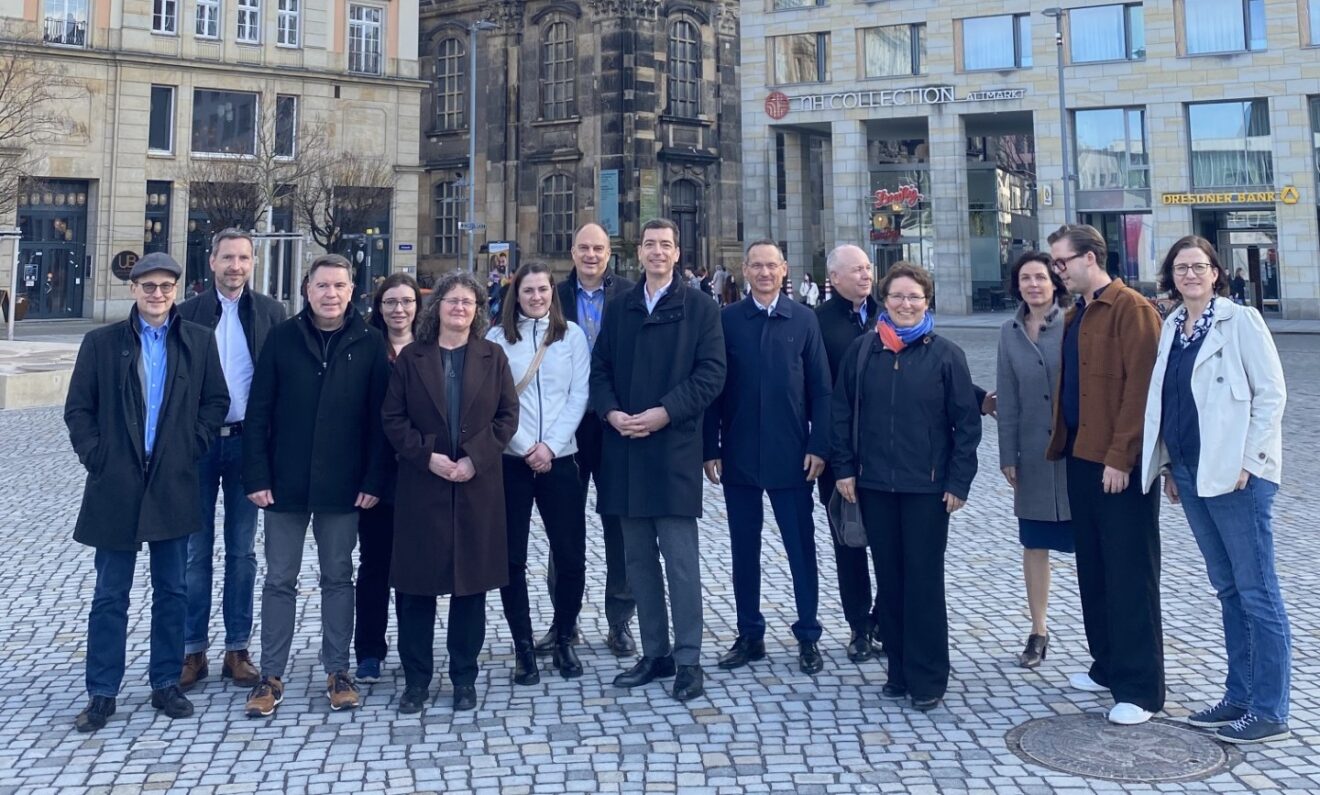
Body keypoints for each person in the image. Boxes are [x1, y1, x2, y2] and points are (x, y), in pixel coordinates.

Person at [64, 251, 230, 732]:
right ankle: (101, 692)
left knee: (173, 590)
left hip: (172, 481)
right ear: (133, 289)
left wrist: (192, 445)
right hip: (116, 483)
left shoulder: (197, 341)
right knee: (110, 593)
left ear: (177, 290)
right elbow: (79, 409)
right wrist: (97, 455)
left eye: (165, 287)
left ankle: (165, 683)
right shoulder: (101, 343)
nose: (157, 295)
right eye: (148, 286)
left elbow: (215, 401)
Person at [1141, 236, 1290, 744]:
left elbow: (1271, 394)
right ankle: (1239, 695)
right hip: (1190, 471)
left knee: (1258, 591)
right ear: (1170, 275)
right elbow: (1168, 400)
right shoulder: (1172, 326)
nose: (1190, 275)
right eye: (1181, 268)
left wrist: (1250, 460)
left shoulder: (1239, 320)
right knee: (1227, 588)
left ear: (1215, 272)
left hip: (1237, 475)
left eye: (1198, 266)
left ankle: (1269, 708)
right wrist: (1167, 466)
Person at [241, 254, 391, 718]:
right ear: (307, 290)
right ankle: (270, 674)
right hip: (283, 483)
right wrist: (257, 474)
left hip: (344, 486)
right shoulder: (282, 338)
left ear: (352, 291)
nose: (330, 294)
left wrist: (372, 478)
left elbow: (379, 421)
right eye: (322, 286)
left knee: (337, 578)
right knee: (279, 579)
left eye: (339, 286)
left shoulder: (370, 342)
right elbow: (259, 410)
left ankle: (338, 670)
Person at [831, 261, 981, 713]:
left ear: (927, 301)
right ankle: (897, 670)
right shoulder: (863, 351)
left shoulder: (946, 355)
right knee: (890, 582)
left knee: (923, 582)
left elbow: (966, 425)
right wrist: (844, 469)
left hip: (927, 490)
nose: (905, 304)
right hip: (874, 486)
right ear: (884, 300)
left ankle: (928, 675)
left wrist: (959, 482)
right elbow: (841, 414)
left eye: (914, 296)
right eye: (897, 296)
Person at [590, 218, 725, 703]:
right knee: (638, 561)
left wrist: (665, 413)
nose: (657, 252)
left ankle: (688, 659)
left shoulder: (701, 308)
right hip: (624, 448)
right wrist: (610, 412)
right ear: (639, 253)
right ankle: (655, 652)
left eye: (666, 245)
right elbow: (600, 366)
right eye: (650, 245)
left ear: (677, 253)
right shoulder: (620, 305)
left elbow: (712, 375)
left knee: (682, 563)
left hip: (673, 448)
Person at [382, 272, 519, 713]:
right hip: (424, 487)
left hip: (477, 487)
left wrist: (474, 458)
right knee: (416, 590)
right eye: (452, 300)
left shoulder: (492, 356)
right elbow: (394, 419)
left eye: (468, 302)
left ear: (478, 311)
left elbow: (506, 417)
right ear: (436, 306)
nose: (460, 308)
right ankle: (417, 680)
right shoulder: (411, 359)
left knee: (470, 590)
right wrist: (430, 457)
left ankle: (464, 677)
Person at [1045, 224, 1163, 726]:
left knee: (1129, 572)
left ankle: (1140, 689)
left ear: (1091, 257)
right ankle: (1107, 665)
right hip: (1080, 458)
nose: (1057, 270)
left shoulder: (1133, 309)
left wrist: (1122, 456)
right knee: (1093, 567)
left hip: (1118, 464)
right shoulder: (1077, 314)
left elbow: (1142, 390)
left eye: (1062, 261)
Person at [703, 240, 831, 675]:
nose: (763, 273)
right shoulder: (728, 320)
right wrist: (710, 447)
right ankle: (749, 633)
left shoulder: (804, 319)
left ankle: (809, 633)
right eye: (755, 266)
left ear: (783, 270)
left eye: (770, 266)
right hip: (739, 451)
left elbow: (821, 389)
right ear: (744, 271)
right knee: (744, 549)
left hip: (792, 452)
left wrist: (819, 445)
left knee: (800, 548)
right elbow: (714, 388)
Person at [176, 229, 286, 693]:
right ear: (212, 262)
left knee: (242, 552)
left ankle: (237, 649)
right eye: (227, 258)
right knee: (194, 553)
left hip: (247, 445)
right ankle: (191, 650)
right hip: (198, 446)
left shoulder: (271, 312)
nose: (235, 266)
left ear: (253, 262)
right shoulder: (187, 314)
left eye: (243, 258)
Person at [487, 263, 591, 684]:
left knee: (570, 555)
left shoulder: (572, 337)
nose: (536, 297)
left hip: (561, 458)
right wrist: (527, 445)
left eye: (543, 289)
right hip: (512, 461)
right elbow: (494, 402)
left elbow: (579, 395)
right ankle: (523, 646)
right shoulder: (496, 339)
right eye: (528, 290)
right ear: (517, 295)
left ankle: (564, 635)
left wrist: (550, 446)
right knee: (512, 558)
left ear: (553, 292)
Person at [543, 223, 638, 657]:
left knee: (619, 523)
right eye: (583, 247)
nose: (591, 254)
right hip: (567, 425)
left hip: (616, 421)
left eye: (599, 247)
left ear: (609, 252)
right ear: (572, 251)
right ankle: (565, 620)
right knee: (564, 524)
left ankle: (620, 621)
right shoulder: (551, 296)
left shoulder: (629, 294)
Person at [996, 252, 1073, 669]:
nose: (1033, 285)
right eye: (1025, 278)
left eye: (1040, 277)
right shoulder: (1009, 332)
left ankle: (1102, 629)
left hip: (1074, 451)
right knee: (1035, 542)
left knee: (1089, 543)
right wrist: (1008, 454)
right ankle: (1038, 630)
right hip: (1032, 454)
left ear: (1054, 282)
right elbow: (1006, 397)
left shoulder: (1074, 321)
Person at [815, 244, 883, 662]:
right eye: (856, 270)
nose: (865, 276)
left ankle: (885, 620)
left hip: (889, 453)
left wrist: (980, 398)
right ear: (834, 278)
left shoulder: (887, 314)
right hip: (841, 455)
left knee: (892, 544)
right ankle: (859, 625)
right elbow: (817, 396)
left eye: (868, 268)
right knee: (850, 544)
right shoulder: (817, 323)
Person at [353, 272, 422, 684]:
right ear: (378, 308)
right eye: (390, 302)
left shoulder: (430, 349)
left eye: (407, 301)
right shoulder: (364, 348)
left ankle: (413, 650)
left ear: (417, 306)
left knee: (415, 566)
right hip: (375, 478)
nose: (399, 309)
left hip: (419, 474)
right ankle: (369, 651)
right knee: (374, 566)